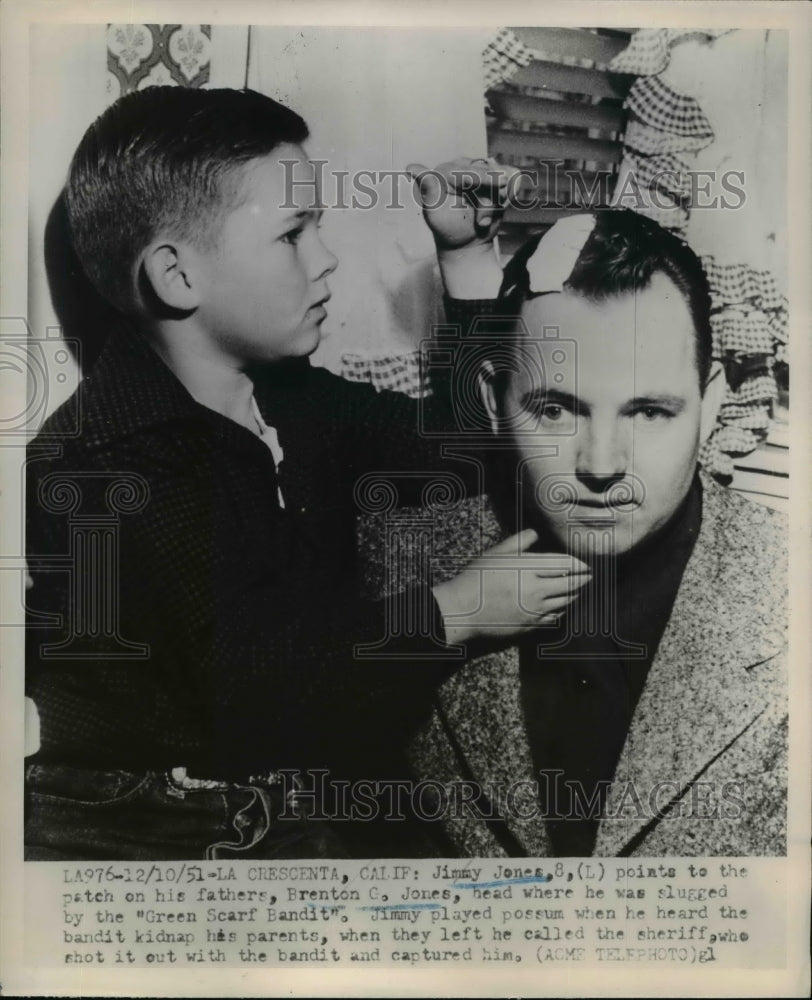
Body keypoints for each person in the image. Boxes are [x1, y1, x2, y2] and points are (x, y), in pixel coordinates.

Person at [24, 87, 591, 861]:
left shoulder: (291, 399)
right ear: (176, 277)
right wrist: (456, 612)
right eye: (293, 234)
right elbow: (253, 681)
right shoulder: (106, 454)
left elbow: (463, 453)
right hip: (136, 829)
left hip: (278, 801)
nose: (326, 258)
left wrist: (463, 262)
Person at [397, 209, 788, 857]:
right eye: (554, 409)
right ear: (495, 403)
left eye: (650, 411)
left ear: (712, 403)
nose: (602, 466)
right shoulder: (402, 560)